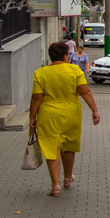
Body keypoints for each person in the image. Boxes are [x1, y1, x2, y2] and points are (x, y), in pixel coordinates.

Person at [29, 41, 100, 197]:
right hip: (71, 111)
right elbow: (85, 92)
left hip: (48, 113)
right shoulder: (74, 70)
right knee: (68, 145)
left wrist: (32, 117)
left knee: (51, 146)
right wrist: (94, 110)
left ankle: (55, 186)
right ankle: (67, 178)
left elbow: (36, 98)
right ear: (66, 56)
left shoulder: (40, 73)